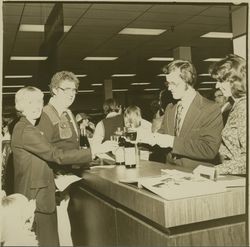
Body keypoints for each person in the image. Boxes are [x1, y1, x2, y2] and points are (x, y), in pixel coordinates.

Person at [11, 86, 92, 246]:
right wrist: (91, 153)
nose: (36, 106)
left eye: (39, 101)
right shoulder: (26, 130)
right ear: (20, 106)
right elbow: (55, 155)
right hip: (37, 200)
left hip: (36, 196)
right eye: (30, 102)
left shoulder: (25, 127)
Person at [138, 59, 223, 169]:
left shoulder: (210, 109)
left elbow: (209, 149)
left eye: (174, 83)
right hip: (169, 173)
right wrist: (144, 140)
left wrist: (172, 142)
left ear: (188, 80)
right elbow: (161, 140)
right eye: (168, 83)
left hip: (196, 175)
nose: (169, 88)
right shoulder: (170, 108)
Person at [209, 54, 246, 174]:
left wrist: (216, 170)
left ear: (235, 81)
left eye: (221, 81)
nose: (217, 86)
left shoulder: (244, 107)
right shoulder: (237, 105)